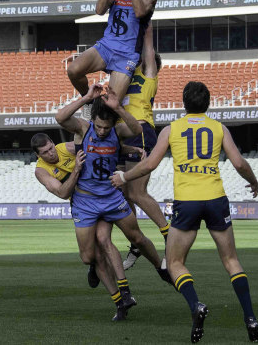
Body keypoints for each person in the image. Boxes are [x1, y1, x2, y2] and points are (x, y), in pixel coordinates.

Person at [111, 81, 258, 343]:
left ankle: (196, 306)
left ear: (183, 103)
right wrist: (253, 181)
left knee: (175, 263)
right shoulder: (219, 128)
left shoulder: (172, 130)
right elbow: (238, 162)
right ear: (208, 102)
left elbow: (149, 165)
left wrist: (125, 176)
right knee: (231, 261)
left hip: (187, 202)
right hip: (216, 199)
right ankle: (250, 318)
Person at [55, 83, 172, 320]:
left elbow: (136, 128)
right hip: (85, 201)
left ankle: (161, 268)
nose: (101, 131)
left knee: (136, 236)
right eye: (98, 126)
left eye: (105, 127)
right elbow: (60, 117)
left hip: (111, 197)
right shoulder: (83, 128)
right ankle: (101, 274)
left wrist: (117, 108)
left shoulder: (116, 132)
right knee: (89, 256)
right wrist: (87, 97)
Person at [31, 132, 142, 321]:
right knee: (89, 257)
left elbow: (103, 148)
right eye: (45, 153)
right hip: (81, 207)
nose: (51, 154)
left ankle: (122, 297)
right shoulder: (41, 171)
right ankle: (97, 270)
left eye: (51, 148)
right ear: (38, 156)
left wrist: (133, 150)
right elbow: (62, 193)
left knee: (104, 240)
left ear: (53, 143)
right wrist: (76, 170)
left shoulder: (67, 148)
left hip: (98, 198)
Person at [67, 0, 157, 105]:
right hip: (106, 46)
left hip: (127, 54)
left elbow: (140, 12)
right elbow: (99, 10)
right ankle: (89, 101)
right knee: (73, 70)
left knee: (111, 105)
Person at [118, 21, 170, 270]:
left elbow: (147, 47)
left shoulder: (149, 78)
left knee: (137, 193)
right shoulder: (125, 79)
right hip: (121, 136)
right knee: (125, 192)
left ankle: (169, 234)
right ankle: (136, 242)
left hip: (140, 131)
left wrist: (144, 24)